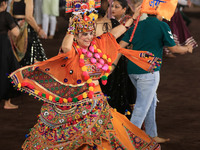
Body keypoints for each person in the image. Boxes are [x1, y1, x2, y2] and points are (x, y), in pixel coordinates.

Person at [9, 1, 161, 149]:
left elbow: (114, 34)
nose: (88, 37)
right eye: (84, 35)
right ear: (75, 36)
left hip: (97, 103)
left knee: (104, 135)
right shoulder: (71, 52)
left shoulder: (95, 46)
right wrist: (73, 25)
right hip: (75, 104)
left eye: (90, 33)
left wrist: (133, 18)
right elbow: (66, 45)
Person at [119, 14, 193, 143]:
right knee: (142, 107)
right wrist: (187, 48)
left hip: (132, 69)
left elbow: (121, 45)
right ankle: (127, 141)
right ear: (160, 12)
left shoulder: (137, 25)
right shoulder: (162, 25)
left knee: (150, 102)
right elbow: (174, 48)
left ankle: (152, 135)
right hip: (148, 71)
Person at [96, 0, 136, 115]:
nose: (111, 8)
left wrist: (112, 65)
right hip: (102, 70)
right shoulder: (86, 26)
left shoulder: (114, 23)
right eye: (110, 5)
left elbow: (119, 46)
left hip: (113, 71)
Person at [9, 0, 47, 66]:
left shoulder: (13, 1)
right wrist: (38, 29)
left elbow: (10, 14)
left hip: (14, 30)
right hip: (26, 31)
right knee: (30, 58)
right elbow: (29, 17)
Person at [0, 0, 20, 109]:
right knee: (7, 70)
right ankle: (7, 103)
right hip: (3, 45)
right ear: (4, 3)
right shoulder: (6, 15)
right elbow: (16, 33)